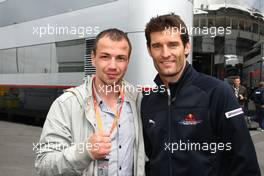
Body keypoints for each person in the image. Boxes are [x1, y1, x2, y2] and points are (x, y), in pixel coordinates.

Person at [141, 13, 260, 176]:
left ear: (187, 47)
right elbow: (152, 157)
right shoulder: (148, 101)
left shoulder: (217, 92)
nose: (165, 53)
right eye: (157, 46)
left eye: (173, 44)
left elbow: (244, 161)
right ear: (149, 50)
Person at [34, 28, 145, 176]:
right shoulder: (66, 104)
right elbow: (43, 165)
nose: (113, 66)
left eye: (120, 58)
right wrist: (84, 151)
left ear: (127, 61)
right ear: (93, 58)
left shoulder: (138, 101)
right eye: (105, 57)